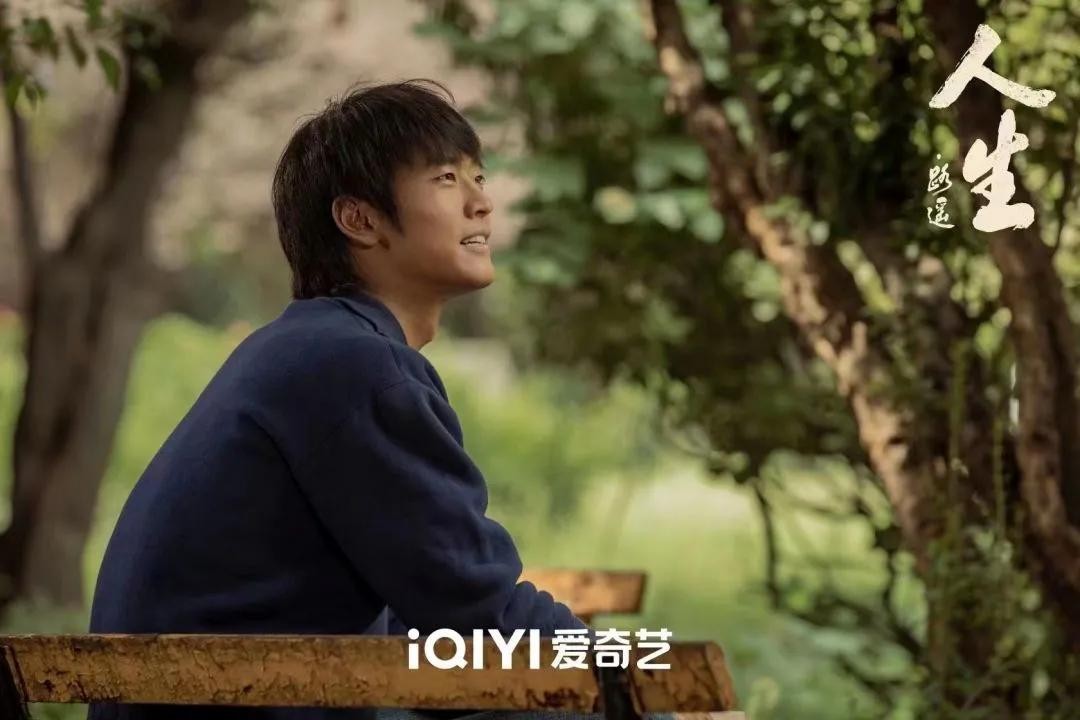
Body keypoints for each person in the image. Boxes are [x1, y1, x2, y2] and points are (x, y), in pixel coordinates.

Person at [85, 79, 612, 720]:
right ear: (359, 219)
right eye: (447, 179)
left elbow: (432, 624)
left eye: (479, 177)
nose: (482, 203)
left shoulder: (306, 348)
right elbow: (480, 611)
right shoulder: (355, 366)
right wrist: (642, 684)